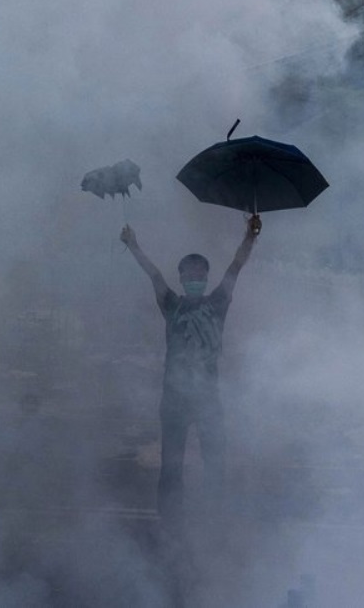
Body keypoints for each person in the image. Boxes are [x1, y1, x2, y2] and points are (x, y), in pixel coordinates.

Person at [120, 213, 260, 520]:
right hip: (174, 399)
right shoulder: (172, 305)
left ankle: (214, 517)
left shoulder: (218, 303)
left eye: (200, 272)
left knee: (215, 463)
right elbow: (154, 275)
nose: (195, 277)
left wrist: (250, 237)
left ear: (206, 278)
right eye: (189, 273)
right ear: (182, 278)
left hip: (208, 398)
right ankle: (170, 522)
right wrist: (133, 245)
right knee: (171, 466)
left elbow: (236, 266)